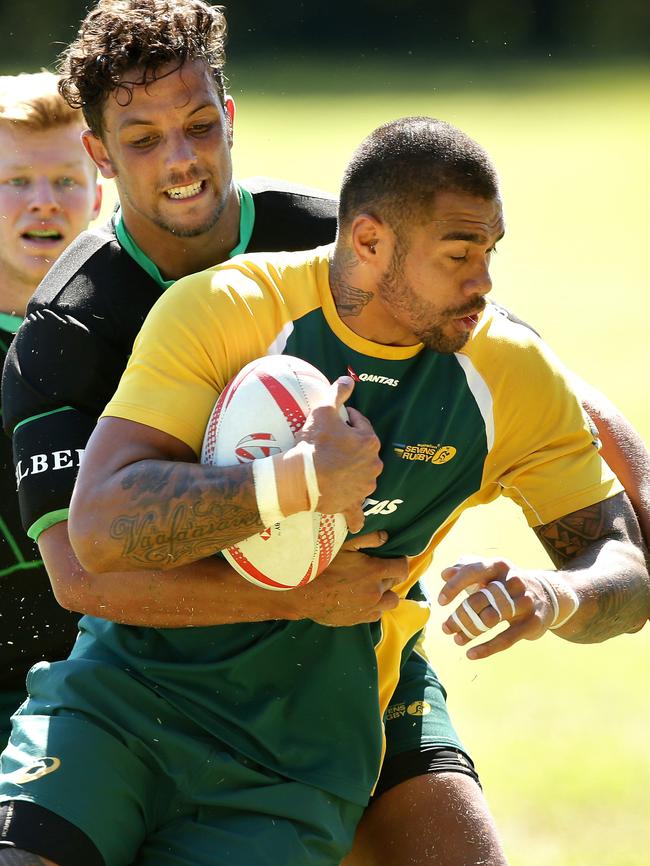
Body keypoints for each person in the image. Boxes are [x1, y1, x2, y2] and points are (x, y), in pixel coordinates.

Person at [0, 3, 648, 865]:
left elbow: (524, 367)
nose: (184, 159)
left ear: (229, 119)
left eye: (198, 126)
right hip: (157, 658)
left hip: (352, 656)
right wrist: (301, 583)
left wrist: (616, 538)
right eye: (144, 138)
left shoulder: (335, 237)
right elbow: (85, 570)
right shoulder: (73, 330)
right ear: (102, 156)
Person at [0, 70, 102, 744]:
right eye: (14, 183)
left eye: (66, 180)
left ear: (102, 186)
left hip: (120, 688)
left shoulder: (152, 327)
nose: (44, 204)